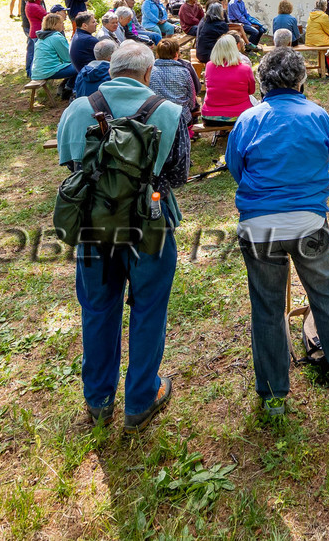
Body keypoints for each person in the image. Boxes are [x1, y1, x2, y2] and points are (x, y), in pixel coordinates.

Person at [228, 48, 329, 415]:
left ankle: (272, 395)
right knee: (326, 296)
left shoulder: (248, 119)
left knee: (266, 307)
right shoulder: (317, 114)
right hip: (308, 221)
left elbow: (236, 166)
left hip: (258, 224)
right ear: (301, 81)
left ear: (262, 83)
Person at [55, 40, 187, 432]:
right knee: (149, 309)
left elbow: (70, 165)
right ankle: (141, 399)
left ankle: (98, 400)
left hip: (93, 227)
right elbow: (177, 175)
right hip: (150, 224)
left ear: (110, 71)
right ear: (148, 74)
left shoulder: (78, 108)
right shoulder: (169, 112)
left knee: (98, 309)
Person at [202, 33, 257, 124]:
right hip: (239, 114)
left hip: (210, 115)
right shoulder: (245, 68)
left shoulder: (209, 66)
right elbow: (251, 91)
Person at [148, 37, 200, 126]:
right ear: (176, 54)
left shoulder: (150, 71)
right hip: (181, 117)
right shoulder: (184, 71)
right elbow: (192, 96)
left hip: (157, 116)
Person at [29, 12, 77, 98]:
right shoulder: (56, 37)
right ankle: (68, 89)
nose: (63, 24)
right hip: (49, 71)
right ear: (54, 25)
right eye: (61, 23)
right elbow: (67, 57)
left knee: (74, 67)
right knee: (80, 66)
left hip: (37, 71)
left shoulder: (42, 37)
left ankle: (65, 87)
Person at [303, 0, 329, 69]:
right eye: (326, 6)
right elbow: (328, 30)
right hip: (319, 40)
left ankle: (327, 57)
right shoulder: (323, 16)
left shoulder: (311, 15)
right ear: (324, 7)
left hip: (309, 40)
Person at [23, 0, 47, 77]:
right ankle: (33, 74)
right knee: (36, 56)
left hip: (37, 32)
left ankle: (34, 74)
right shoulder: (33, 6)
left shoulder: (36, 4)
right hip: (37, 33)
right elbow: (45, 16)